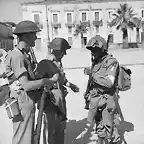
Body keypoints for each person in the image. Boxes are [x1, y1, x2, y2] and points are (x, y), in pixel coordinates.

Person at [4, 20, 59, 144]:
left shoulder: (25, 54)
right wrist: (48, 81)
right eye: (34, 34)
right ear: (27, 36)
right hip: (22, 100)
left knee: (28, 138)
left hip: (27, 100)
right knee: (23, 138)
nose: (36, 37)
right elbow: (26, 85)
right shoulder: (17, 56)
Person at [42, 37, 80, 144]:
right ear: (56, 50)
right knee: (51, 128)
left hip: (60, 97)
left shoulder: (58, 62)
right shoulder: (46, 63)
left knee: (61, 125)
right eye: (63, 52)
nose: (64, 54)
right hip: (51, 99)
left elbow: (62, 79)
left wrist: (70, 85)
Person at [84, 35, 120, 144]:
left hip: (107, 100)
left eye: (95, 50)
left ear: (102, 49)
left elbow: (109, 83)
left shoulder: (111, 62)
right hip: (96, 100)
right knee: (100, 129)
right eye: (91, 50)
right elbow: (92, 82)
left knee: (110, 130)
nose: (93, 52)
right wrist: (87, 94)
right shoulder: (96, 62)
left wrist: (92, 74)